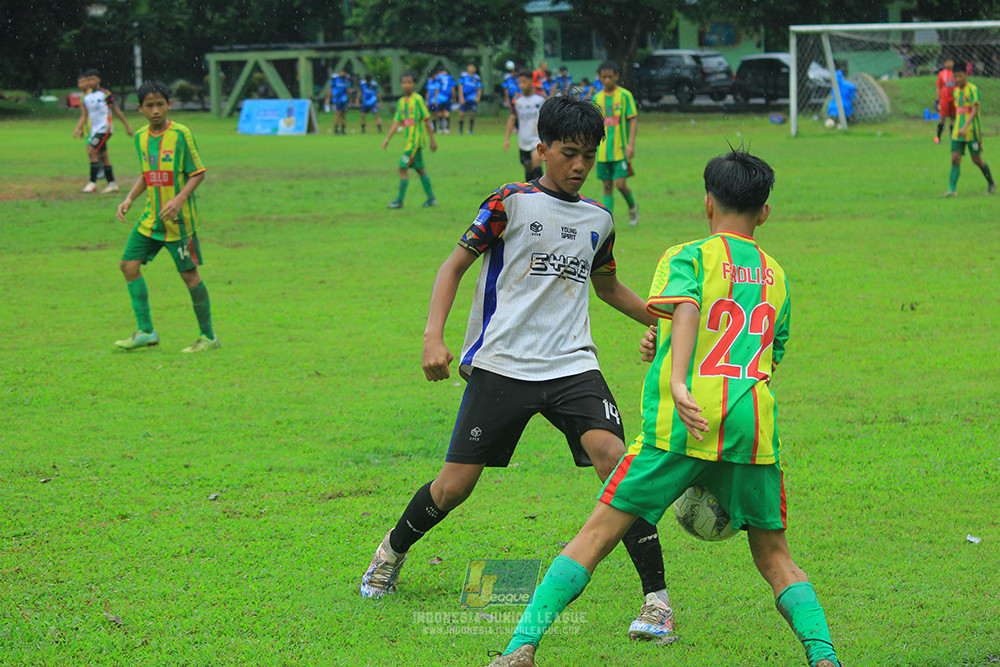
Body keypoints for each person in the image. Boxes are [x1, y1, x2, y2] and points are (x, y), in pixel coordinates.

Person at [485, 147, 842, 667]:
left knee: (597, 534)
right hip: (751, 426)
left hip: (683, 424)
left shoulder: (689, 256)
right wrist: (671, 344)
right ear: (764, 212)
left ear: (707, 203)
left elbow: (690, 307)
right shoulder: (778, 276)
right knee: (775, 557)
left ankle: (520, 647)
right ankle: (824, 657)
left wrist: (676, 377)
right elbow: (765, 353)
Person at [361, 94, 676, 645]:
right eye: (569, 153)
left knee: (618, 466)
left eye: (589, 156)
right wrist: (433, 337)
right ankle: (391, 551)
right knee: (455, 486)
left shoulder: (599, 219)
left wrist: (669, 321)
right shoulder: (509, 203)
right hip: (503, 364)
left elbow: (607, 288)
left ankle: (656, 601)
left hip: (572, 363)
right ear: (542, 149)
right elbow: (453, 265)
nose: (579, 166)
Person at [114, 80, 218, 353]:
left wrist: (179, 197)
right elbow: (147, 175)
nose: (156, 110)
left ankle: (208, 337)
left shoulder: (182, 134)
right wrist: (129, 198)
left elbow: (198, 172)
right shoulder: (140, 138)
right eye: (150, 105)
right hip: (151, 219)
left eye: (161, 104)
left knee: (189, 275)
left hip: (179, 221)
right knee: (128, 265)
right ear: (140, 109)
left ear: (169, 105)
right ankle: (146, 332)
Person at [593, 60, 639, 226]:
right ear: (599, 77)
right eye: (604, 77)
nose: (607, 80)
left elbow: (633, 120)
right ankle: (607, 222)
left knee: (620, 184)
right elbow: (594, 126)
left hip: (621, 150)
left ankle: (633, 206)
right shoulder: (596, 98)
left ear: (616, 76)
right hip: (603, 151)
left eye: (610, 77)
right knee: (607, 186)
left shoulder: (625, 96)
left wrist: (631, 145)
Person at [382, 70, 438, 209]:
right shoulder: (401, 102)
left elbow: (426, 119)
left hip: (415, 142)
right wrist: (387, 138)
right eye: (404, 82)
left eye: (409, 82)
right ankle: (431, 199)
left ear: (414, 84)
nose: (406, 85)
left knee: (402, 167)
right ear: (401, 84)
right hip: (409, 142)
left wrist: (432, 140)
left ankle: (399, 201)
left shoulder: (417, 100)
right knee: (420, 170)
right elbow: (396, 122)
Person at [72, 69, 133, 193]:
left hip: (105, 128)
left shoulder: (105, 94)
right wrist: (78, 128)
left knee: (91, 149)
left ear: (98, 80)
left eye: (93, 79)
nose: (90, 82)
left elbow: (116, 110)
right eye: (88, 80)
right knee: (104, 156)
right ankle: (112, 183)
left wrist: (127, 126)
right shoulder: (86, 97)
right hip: (94, 131)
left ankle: (92, 183)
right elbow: (84, 115)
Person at [943, 62, 996, 197]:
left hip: (971, 131)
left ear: (966, 75)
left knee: (976, 159)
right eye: (955, 77)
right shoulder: (955, 92)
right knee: (955, 158)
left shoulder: (972, 89)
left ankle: (991, 183)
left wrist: (965, 126)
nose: (957, 79)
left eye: (960, 76)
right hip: (957, 132)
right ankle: (952, 189)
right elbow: (958, 112)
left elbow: (974, 110)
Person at [503, 70, 544, 182]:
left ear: (531, 81)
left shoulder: (540, 100)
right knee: (528, 168)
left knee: (536, 163)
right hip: (523, 140)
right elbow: (512, 119)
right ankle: (529, 191)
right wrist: (507, 139)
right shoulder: (517, 102)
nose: (521, 85)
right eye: (519, 82)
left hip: (536, 139)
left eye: (524, 82)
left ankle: (542, 192)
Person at [935, 58, 956, 145]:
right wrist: (937, 101)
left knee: (953, 118)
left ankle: (952, 137)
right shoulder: (941, 74)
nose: (948, 64)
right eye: (946, 62)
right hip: (944, 99)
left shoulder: (956, 73)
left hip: (954, 99)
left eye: (950, 62)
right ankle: (938, 137)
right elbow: (939, 87)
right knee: (942, 118)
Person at [457, 63, 483, 134]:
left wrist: (478, 97)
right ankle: (460, 130)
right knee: (461, 114)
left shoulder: (476, 78)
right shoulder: (463, 76)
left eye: (473, 67)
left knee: (472, 114)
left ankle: (470, 130)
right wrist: (461, 97)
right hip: (465, 98)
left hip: (472, 98)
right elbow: (460, 87)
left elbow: (479, 88)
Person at [326, 70, 351, 135]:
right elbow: (330, 89)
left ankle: (343, 129)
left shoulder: (346, 80)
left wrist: (350, 98)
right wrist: (328, 98)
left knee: (343, 115)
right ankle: (336, 130)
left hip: (344, 100)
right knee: (337, 114)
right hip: (336, 99)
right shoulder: (335, 79)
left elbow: (348, 90)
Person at [435, 67, 456, 134]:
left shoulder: (438, 77)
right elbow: (453, 88)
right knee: (446, 112)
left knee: (440, 112)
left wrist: (435, 99)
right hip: (447, 97)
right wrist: (453, 98)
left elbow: (437, 88)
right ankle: (447, 128)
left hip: (440, 97)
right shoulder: (450, 77)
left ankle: (441, 128)